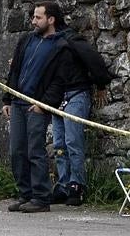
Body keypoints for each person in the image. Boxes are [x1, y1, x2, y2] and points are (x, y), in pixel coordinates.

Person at [2, 1, 70, 213]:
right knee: (16, 151)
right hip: (18, 102)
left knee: (35, 151)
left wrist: (45, 105)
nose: (33, 21)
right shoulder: (26, 40)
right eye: (33, 17)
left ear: (51, 20)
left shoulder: (61, 46)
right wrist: (7, 98)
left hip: (37, 106)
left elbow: (60, 81)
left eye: (38, 17)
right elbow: (15, 71)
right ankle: (26, 194)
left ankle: (41, 198)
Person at [51, 27, 112, 206]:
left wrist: (101, 83)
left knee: (73, 141)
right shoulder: (44, 44)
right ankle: (62, 185)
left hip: (76, 93)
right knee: (59, 144)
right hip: (57, 97)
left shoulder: (72, 40)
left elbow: (94, 59)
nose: (33, 22)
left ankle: (76, 185)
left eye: (37, 17)